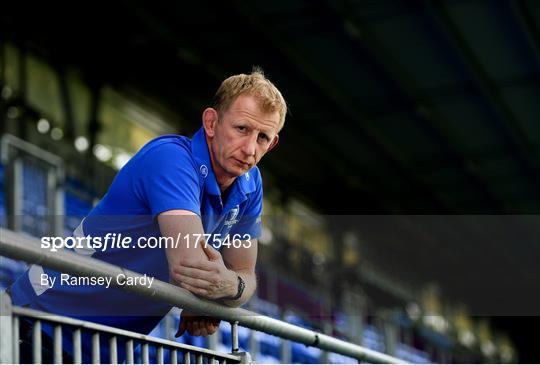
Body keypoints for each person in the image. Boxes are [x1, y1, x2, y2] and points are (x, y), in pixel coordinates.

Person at [8, 67, 287, 362]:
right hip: (39, 319)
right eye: (242, 129)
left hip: (106, 349)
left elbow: (245, 278)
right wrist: (216, 294)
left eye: (263, 137)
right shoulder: (171, 158)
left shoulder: (250, 184)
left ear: (273, 144)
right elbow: (189, 269)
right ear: (211, 122)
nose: (249, 148)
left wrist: (226, 287)